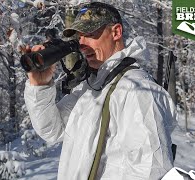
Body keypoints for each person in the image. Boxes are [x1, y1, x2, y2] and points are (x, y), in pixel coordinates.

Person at [24, 2, 177, 180]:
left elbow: (153, 171)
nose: (82, 44)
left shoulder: (137, 91)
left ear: (116, 32)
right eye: (79, 37)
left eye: (89, 34)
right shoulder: (91, 88)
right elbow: (53, 130)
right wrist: (40, 86)